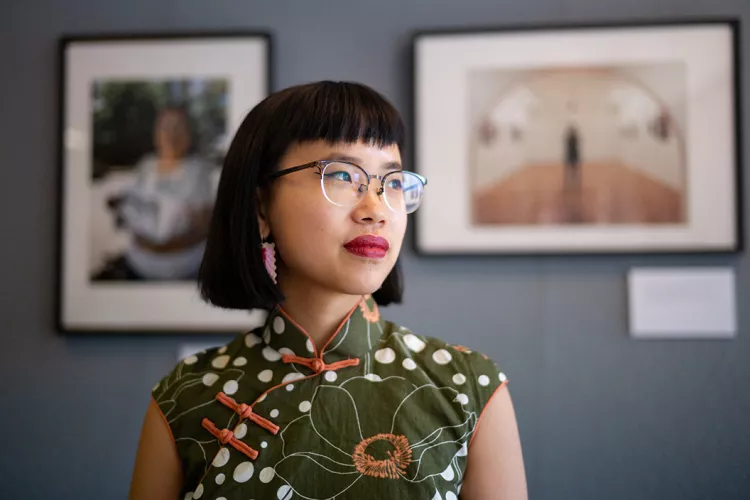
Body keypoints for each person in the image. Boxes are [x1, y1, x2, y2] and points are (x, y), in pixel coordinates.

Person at [129, 81, 527, 500]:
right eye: (341, 175)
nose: (375, 209)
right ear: (262, 206)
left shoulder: (469, 389)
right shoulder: (186, 395)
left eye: (392, 182)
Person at [94, 106, 215, 281]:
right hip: (137, 266)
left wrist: (159, 245)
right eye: (165, 127)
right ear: (156, 133)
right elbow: (132, 208)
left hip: (182, 273)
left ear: (188, 135)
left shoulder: (198, 170)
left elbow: (205, 226)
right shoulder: (146, 165)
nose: (171, 134)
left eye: (178, 127)